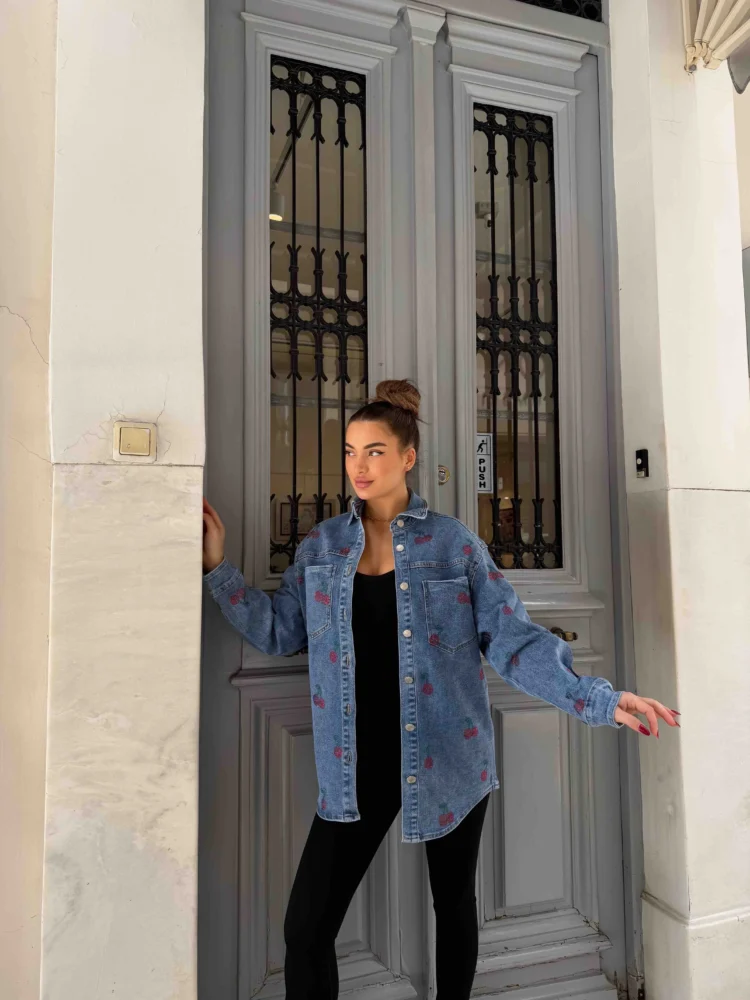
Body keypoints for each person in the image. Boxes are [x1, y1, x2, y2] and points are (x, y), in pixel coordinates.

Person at [202, 378, 678, 1000]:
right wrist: (218, 570)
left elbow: (513, 641)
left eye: (375, 451)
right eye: (350, 451)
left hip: (449, 756)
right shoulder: (323, 547)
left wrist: (600, 699)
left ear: (407, 457)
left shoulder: (453, 545)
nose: (358, 466)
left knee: (453, 908)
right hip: (355, 765)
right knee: (306, 927)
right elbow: (280, 630)